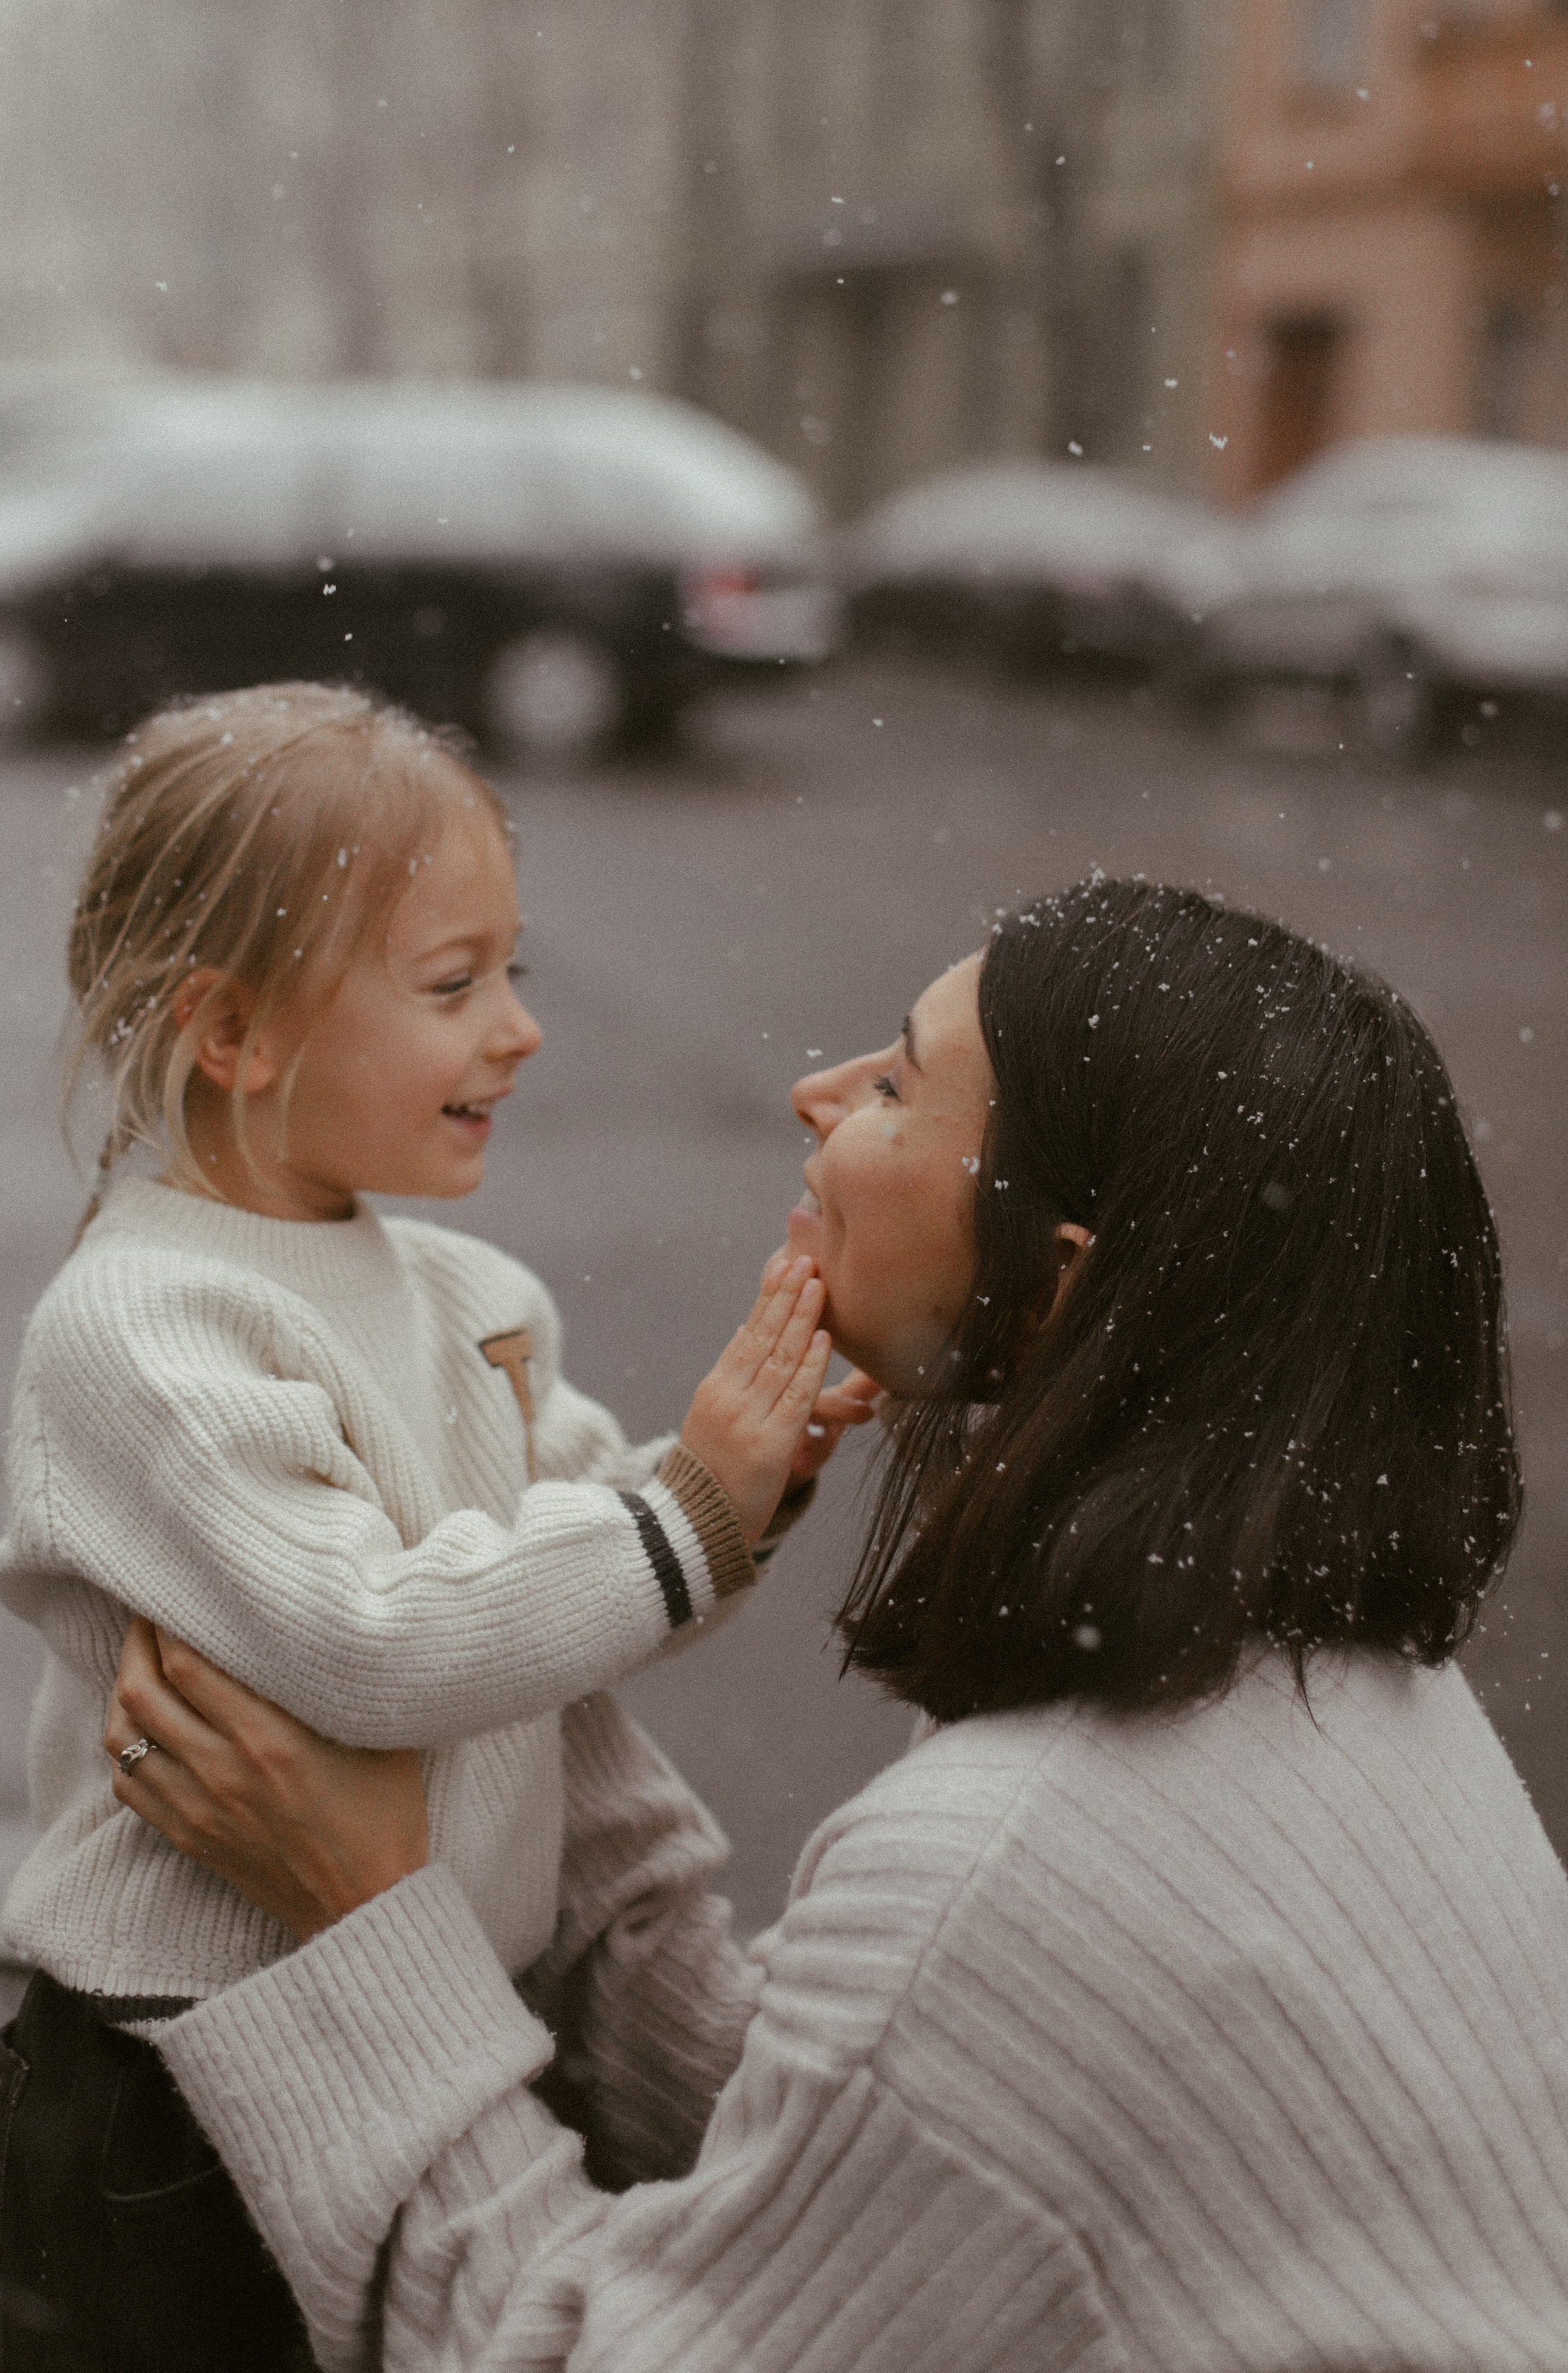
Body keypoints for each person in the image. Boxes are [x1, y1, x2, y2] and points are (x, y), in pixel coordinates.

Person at [99, 876, 1568, 2370]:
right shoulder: (1342, 1700)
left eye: (894, 1084)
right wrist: (508, 1648)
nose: (811, 1097)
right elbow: (867, 2142)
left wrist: (359, 1927)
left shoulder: (1015, 1861)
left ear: (1055, 1281)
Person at [0, 681, 872, 2368]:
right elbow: (370, 1645)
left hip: (413, 2019)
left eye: (513, 971)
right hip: (180, 2085)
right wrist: (680, 1508)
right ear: (229, 1032)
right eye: (452, 985)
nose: (518, 1028)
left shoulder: (466, 1292)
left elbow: (582, 1599)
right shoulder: (146, 1325)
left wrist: (748, 1486)